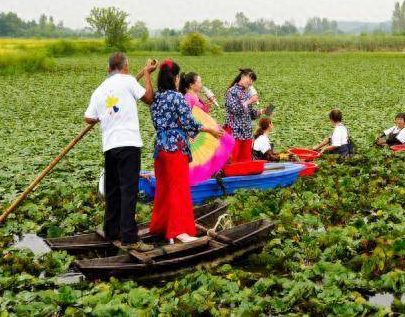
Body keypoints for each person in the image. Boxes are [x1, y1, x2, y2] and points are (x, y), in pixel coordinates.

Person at [84, 52, 156, 252]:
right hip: (128, 143)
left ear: (108, 68)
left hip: (110, 146)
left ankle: (112, 230)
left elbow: (88, 118)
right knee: (129, 191)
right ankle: (130, 238)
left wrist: (101, 117)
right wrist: (148, 74)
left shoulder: (99, 90)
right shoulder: (128, 80)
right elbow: (149, 98)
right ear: (125, 66)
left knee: (114, 190)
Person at [149, 60, 224, 243]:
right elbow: (190, 123)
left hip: (160, 148)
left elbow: (147, 95)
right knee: (179, 189)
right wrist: (211, 130)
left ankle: (162, 226)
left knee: (164, 189)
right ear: (175, 78)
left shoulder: (156, 97)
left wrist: (146, 74)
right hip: (176, 149)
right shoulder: (176, 97)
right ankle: (179, 231)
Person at [224, 68, 270, 162]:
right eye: (250, 79)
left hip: (247, 133)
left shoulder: (247, 93)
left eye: (253, 80)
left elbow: (250, 114)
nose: (251, 82)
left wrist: (262, 111)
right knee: (232, 161)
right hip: (235, 131)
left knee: (245, 162)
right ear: (243, 76)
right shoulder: (231, 91)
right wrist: (249, 101)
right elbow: (234, 109)